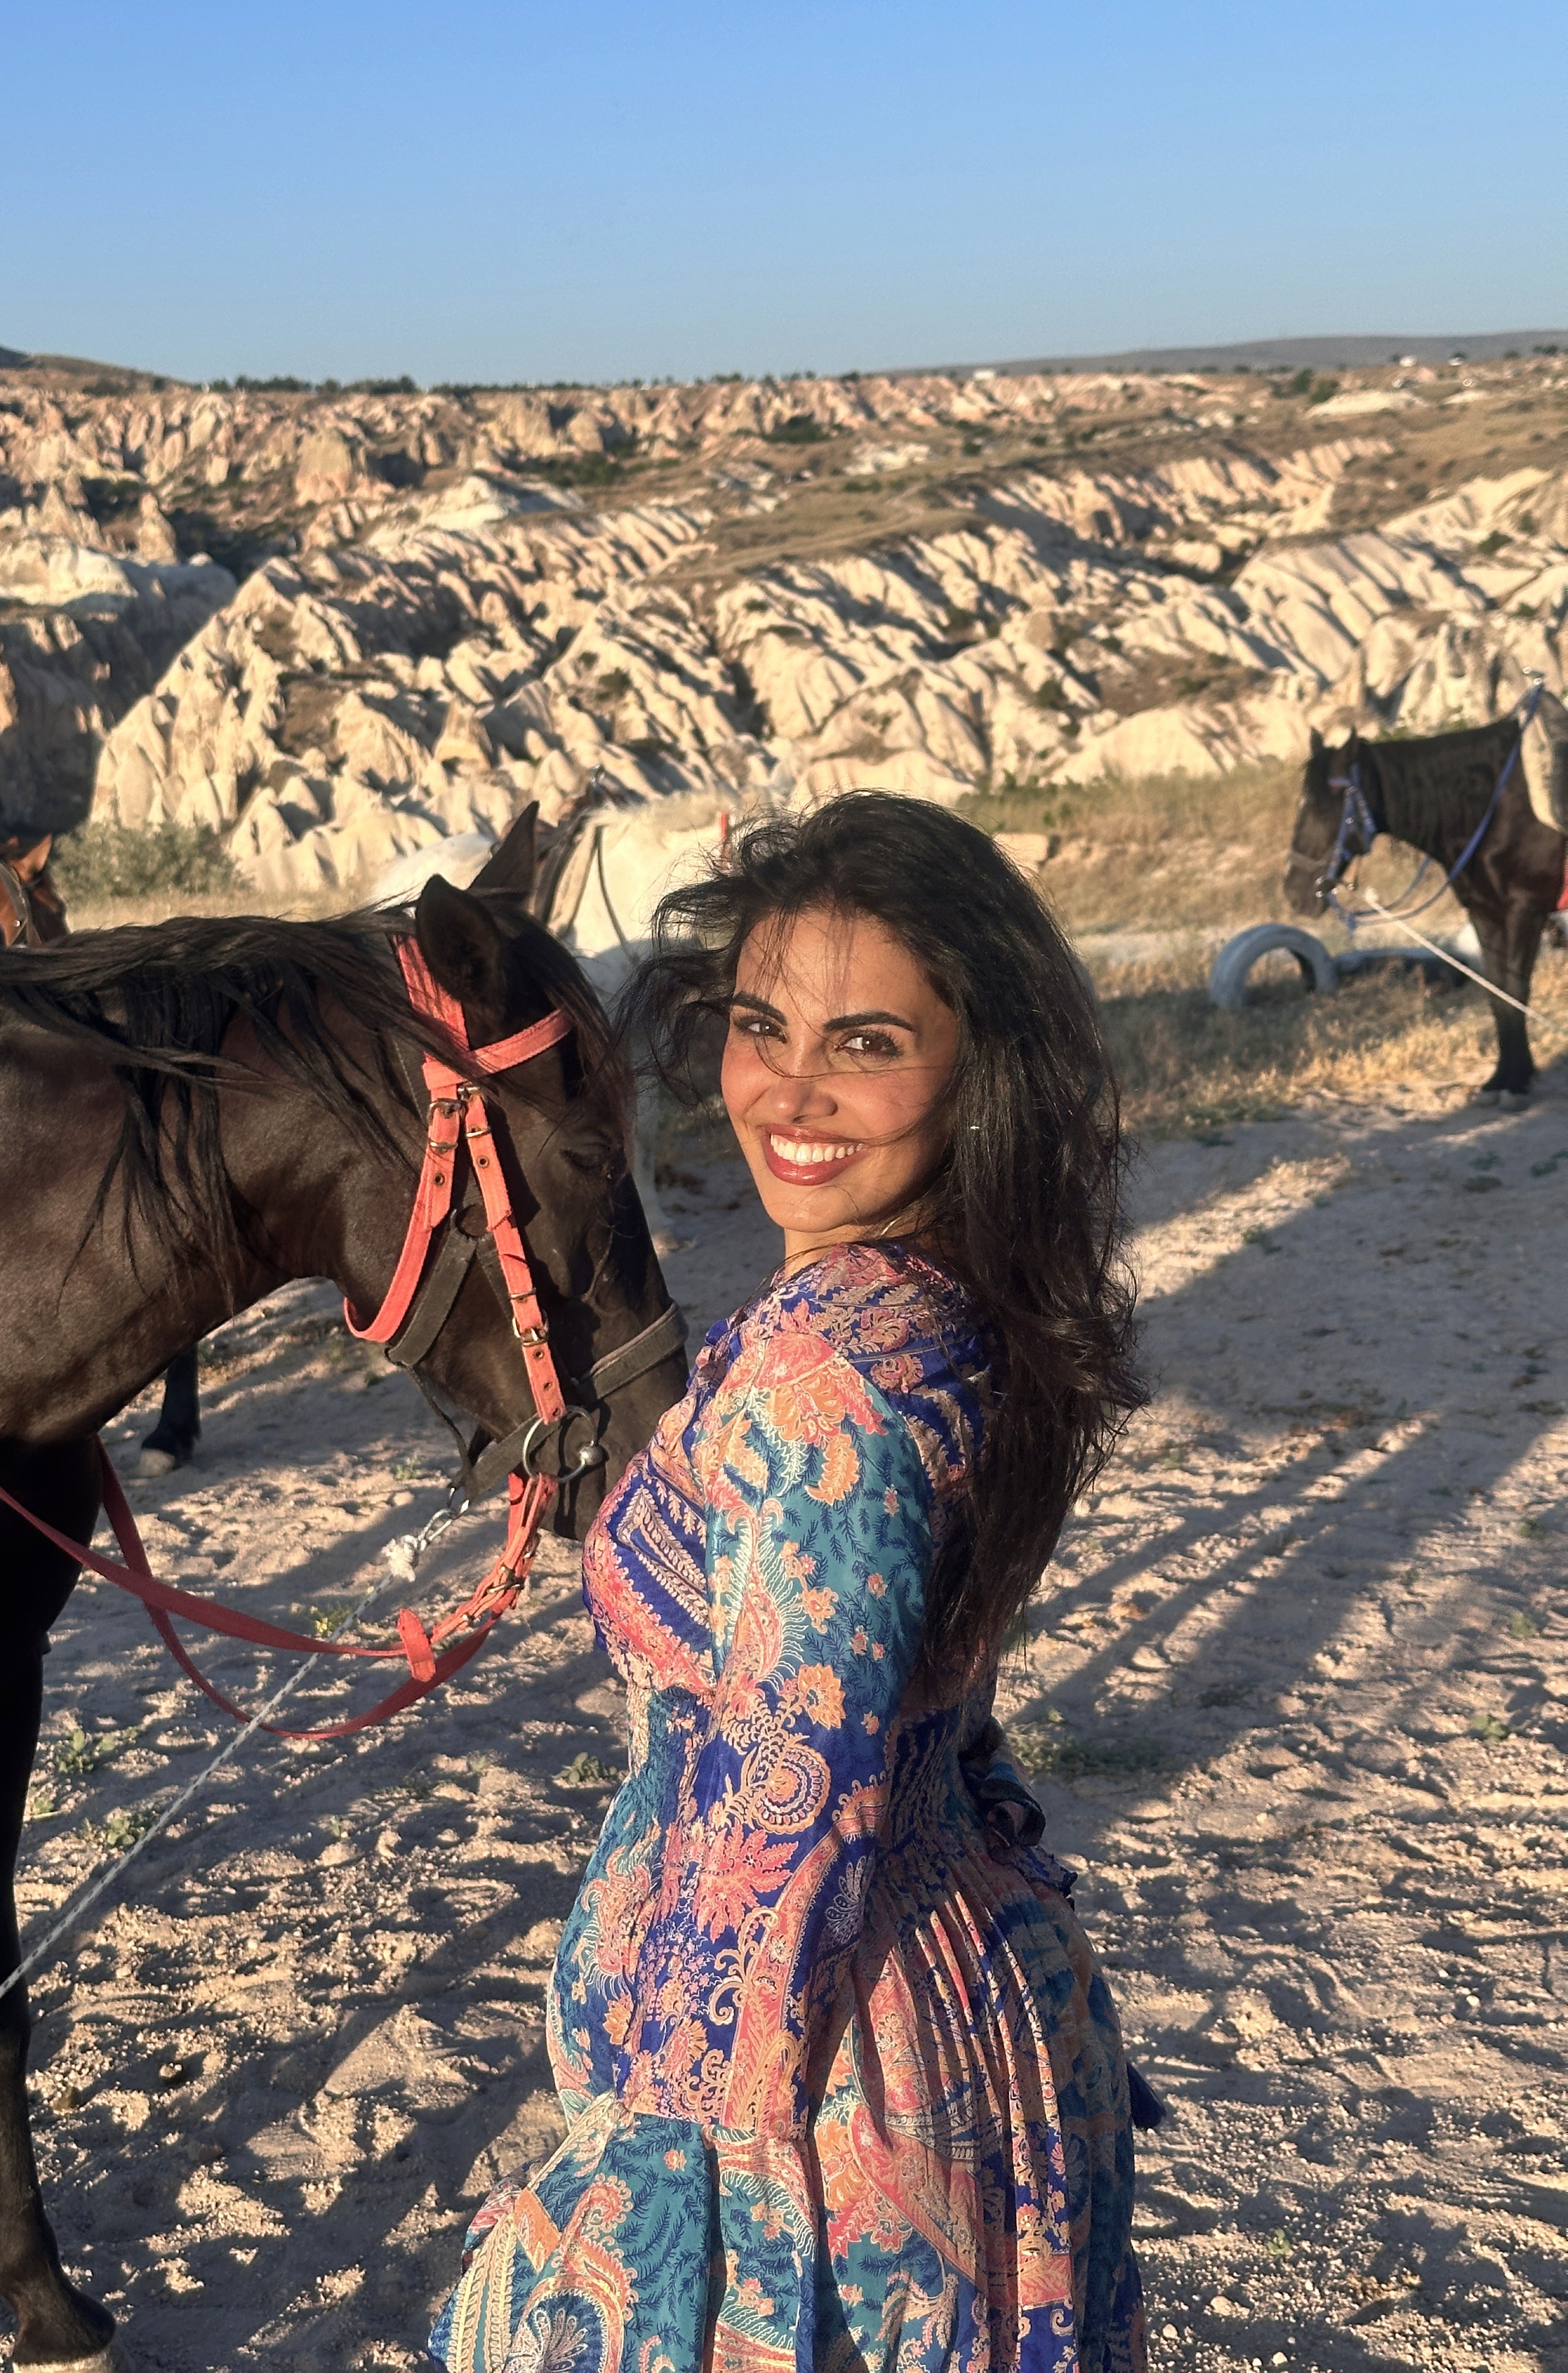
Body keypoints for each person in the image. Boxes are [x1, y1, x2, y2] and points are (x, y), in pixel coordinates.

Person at [430, 792, 1150, 2373]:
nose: (790, 1090)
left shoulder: (826, 1367)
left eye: (869, 1042)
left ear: (978, 1067)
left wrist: (656, 2178)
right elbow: (934, 1715)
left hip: (827, 2076)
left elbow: (789, 1803)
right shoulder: (959, 1302)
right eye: (761, 1025)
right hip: (959, 1979)